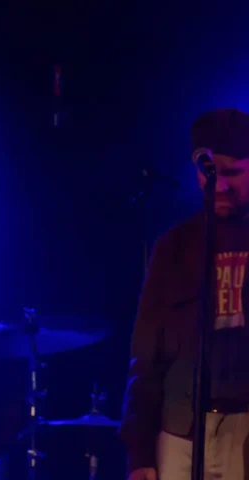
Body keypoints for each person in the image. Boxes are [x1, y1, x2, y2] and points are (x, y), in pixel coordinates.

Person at [120, 107, 249, 480]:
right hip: (179, 431)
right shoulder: (174, 247)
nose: (219, 185)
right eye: (209, 174)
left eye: (234, 173)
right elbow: (145, 357)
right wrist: (140, 451)